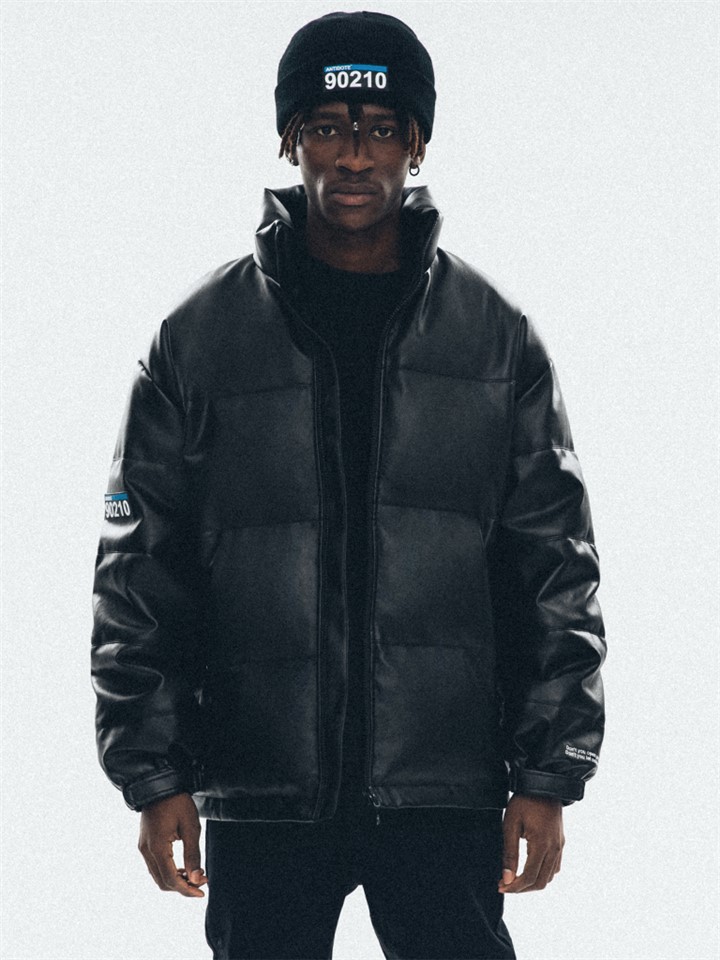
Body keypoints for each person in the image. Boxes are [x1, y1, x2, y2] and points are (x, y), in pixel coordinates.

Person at [92, 11, 606, 960]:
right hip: (263, 788)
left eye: (381, 129)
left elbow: (553, 568)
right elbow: (139, 576)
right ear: (291, 141)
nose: (356, 155)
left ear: (418, 143)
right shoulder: (197, 341)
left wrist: (549, 773)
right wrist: (153, 775)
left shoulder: (496, 339)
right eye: (328, 126)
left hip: (443, 787)